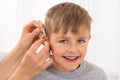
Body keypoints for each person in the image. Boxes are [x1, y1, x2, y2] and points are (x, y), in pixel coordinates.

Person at [0, 2, 108, 80]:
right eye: (63, 41)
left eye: (81, 41)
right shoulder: (30, 72)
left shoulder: (97, 75)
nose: (73, 49)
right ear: (46, 39)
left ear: (88, 39)